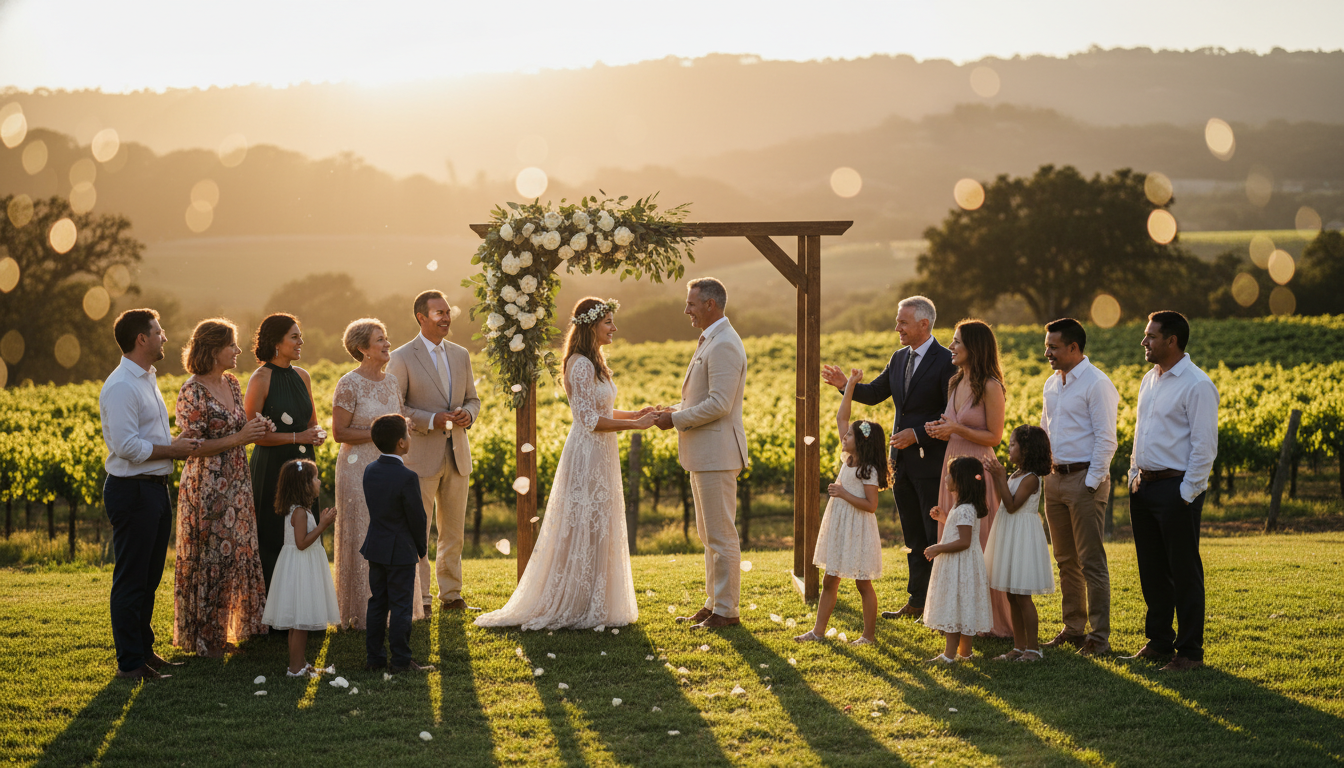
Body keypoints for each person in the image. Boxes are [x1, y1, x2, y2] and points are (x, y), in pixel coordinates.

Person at [475, 298, 656, 630]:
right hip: (588, 452)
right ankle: (574, 600)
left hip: (602, 451)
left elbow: (603, 410)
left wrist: (638, 414)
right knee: (583, 522)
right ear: (591, 326)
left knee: (599, 521)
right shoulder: (581, 364)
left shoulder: (594, 361)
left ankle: (595, 598)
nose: (614, 328)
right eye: (608, 323)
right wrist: (635, 426)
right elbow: (588, 419)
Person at [822, 295, 955, 621]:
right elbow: (874, 393)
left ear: (924, 324)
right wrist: (845, 387)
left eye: (903, 322)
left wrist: (918, 435)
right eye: (898, 321)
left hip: (930, 461)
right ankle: (916, 599)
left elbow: (950, 414)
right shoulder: (898, 359)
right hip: (900, 463)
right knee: (911, 533)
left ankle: (937, 605)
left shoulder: (946, 361)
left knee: (930, 533)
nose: (897, 327)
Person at [99, 308, 201, 680]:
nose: (165, 337)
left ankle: (144, 652)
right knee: (131, 579)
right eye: (159, 332)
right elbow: (127, 446)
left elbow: (148, 439)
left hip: (155, 489)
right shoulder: (122, 385)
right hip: (133, 490)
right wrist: (174, 449)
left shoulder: (145, 379)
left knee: (149, 579)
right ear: (141, 339)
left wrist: (172, 446)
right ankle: (129, 664)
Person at [1123, 311, 1219, 672]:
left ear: (1172, 341)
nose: (1144, 342)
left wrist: (1186, 493)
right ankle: (1160, 641)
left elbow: (1204, 445)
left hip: (1176, 490)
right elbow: (1141, 432)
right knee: (1152, 570)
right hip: (1144, 487)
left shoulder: (1197, 384)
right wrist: (1134, 474)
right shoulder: (1150, 379)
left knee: (1183, 571)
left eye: (1150, 336)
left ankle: (1190, 652)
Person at [173, 318, 272, 658]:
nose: (238, 351)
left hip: (237, 481)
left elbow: (238, 425)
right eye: (232, 345)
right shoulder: (191, 391)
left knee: (234, 556)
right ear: (214, 350)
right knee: (211, 559)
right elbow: (193, 446)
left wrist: (257, 426)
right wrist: (241, 438)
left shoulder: (231, 382)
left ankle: (224, 632)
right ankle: (206, 640)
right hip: (208, 486)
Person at [655, 278, 750, 631]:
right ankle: (714, 604)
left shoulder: (724, 343)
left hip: (718, 453)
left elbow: (720, 404)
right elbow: (702, 398)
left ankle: (727, 611)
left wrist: (675, 419)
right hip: (705, 453)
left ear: (711, 304)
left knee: (722, 535)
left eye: (692, 303)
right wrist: (670, 409)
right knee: (709, 535)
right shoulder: (713, 338)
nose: (687, 310)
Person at [387, 290, 481, 614]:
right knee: (419, 533)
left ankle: (452, 595)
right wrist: (430, 419)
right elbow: (395, 407)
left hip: (457, 454)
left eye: (447, 312)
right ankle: (421, 600)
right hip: (419, 457)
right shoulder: (401, 357)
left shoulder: (460, 354)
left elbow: (473, 398)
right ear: (421, 318)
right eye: (438, 313)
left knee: (453, 532)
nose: (446, 317)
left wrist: (469, 414)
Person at [331, 318, 425, 628]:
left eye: (386, 338)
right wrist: (380, 434)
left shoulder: (391, 382)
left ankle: (394, 607)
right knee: (363, 532)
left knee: (393, 528)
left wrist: (402, 430)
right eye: (379, 340)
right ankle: (359, 610)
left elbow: (395, 422)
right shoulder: (349, 383)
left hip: (391, 466)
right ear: (362, 349)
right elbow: (340, 432)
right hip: (357, 468)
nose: (387, 344)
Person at [924, 319, 1012, 638]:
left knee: (981, 544)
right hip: (954, 466)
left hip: (978, 471)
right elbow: (952, 421)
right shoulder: (955, 382)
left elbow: (995, 436)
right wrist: (940, 429)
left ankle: (990, 621)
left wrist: (956, 429)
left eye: (957, 341)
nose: (951, 346)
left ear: (974, 348)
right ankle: (956, 616)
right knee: (952, 534)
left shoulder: (990, 385)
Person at [1039, 317, 1120, 656]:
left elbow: (1107, 438)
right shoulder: (1051, 384)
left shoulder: (1097, 383)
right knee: (1064, 559)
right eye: (1047, 346)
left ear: (1073, 348)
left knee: (1091, 561)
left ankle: (1098, 637)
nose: (1047, 353)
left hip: (1084, 480)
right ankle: (1073, 628)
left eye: (1053, 347)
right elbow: (1046, 427)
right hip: (1054, 480)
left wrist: (1090, 482)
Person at [794, 368, 885, 646]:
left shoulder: (867, 471)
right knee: (829, 581)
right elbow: (841, 416)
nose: (843, 436)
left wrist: (844, 493)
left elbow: (871, 506)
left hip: (857, 528)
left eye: (849, 436)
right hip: (839, 526)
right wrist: (851, 386)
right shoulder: (848, 459)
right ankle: (818, 632)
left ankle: (868, 636)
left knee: (862, 583)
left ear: (861, 442)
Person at [244, 313, 326, 595]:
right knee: (274, 533)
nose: (301, 341)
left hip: (304, 467)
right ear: (276, 342)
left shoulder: (303, 376)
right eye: (295, 336)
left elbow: (312, 422)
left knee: (304, 530)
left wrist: (317, 434)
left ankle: (304, 606)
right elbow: (253, 433)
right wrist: (296, 437)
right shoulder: (260, 378)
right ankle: (272, 613)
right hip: (273, 468)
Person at [362, 414, 435, 673]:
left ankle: (375, 659)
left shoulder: (370, 470)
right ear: (402, 443)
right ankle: (402, 661)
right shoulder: (407, 476)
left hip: (376, 547)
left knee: (378, 602)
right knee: (401, 606)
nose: (410, 437)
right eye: (409, 434)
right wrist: (421, 548)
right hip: (401, 551)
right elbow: (417, 518)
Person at [260, 459, 341, 677]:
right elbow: (302, 543)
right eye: (315, 478)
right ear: (303, 484)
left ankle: (301, 664)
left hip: (300, 565)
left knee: (298, 620)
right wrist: (323, 525)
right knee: (301, 622)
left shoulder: (301, 509)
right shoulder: (300, 513)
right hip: (301, 567)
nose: (319, 480)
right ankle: (295, 668)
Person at [982, 426, 1056, 662]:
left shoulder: (1032, 479)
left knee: (1022, 595)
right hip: (1009, 533)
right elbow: (1003, 499)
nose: (1009, 448)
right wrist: (998, 478)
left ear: (1026, 450)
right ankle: (1018, 646)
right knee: (1011, 595)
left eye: (1013, 445)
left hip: (1022, 535)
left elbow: (1013, 506)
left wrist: (999, 477)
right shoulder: (1015, 475)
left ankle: (1033, 649)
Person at [922, 456, 993, 663]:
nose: (945, 477)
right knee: (964, 606)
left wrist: (938, 548)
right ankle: (965, 653)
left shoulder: (964, 509)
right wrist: (944, 518)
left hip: (960, 564)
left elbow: (963, 541)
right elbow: (959, 530)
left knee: (955, 606)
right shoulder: (963, 507)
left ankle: (949, 655)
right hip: (962, 564)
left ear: (960, 480)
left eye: (950, 474)